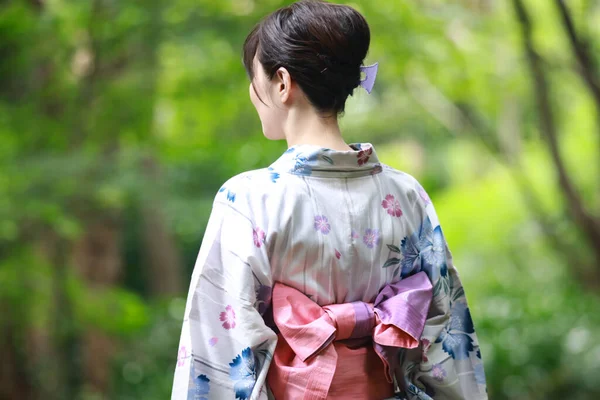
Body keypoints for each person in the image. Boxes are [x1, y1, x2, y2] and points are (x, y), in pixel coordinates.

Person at [171, 1, 487, 399]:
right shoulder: (407, 195)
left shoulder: (248, 198)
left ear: (282, 83)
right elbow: (447, 339)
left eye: (255, 78)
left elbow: (217, 349)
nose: (253, 93)